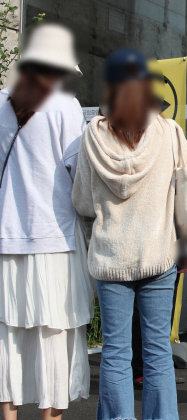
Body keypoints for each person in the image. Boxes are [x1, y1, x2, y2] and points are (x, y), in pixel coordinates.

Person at [72, 48, 187, 420]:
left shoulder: (92, 135)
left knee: (116, 352)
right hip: (159, 253)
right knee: (157, 352)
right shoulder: (169, 131)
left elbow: (82, 201)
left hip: (111, 257)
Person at [0, 24, 93, 420]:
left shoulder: (0, 101)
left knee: (9, 336)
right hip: (55, 236)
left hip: (7, 236)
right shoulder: (65, 107)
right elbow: (79, 175)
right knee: (54, 334)